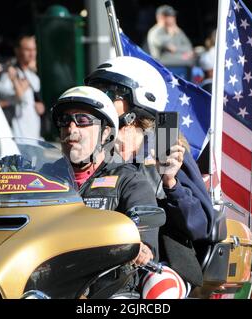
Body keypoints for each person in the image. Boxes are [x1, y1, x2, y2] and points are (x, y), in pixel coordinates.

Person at [86, 56, 216, 294]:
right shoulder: (93, 145)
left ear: (139, 98)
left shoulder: (166, 142)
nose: (97, 100)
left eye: (108, 93)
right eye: (95, 91)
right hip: (100, 256)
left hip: (156, 263)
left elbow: (201, 226)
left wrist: (171, 182)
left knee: (160, 288)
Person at [51, 86, 163, 298]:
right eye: (64, 120)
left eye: (82, 120)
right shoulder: (44, 179)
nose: (71, 127)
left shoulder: (128, 180)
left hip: (107, 291)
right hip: (49, 287)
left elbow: (146, 243)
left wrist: (139, 247)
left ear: (105, 132)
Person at [0, 35, 45, 139]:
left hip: (34, 134)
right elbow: (1, 103)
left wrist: (39, 106)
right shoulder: (8, 75)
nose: (32, 53)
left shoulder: (34, 77)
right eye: (27, 49)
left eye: (34, 49)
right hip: (16, 134)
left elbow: (33, 101)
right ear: (17, 51)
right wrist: (19, 93)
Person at [147, 5, 194, 79]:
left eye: (173, 15)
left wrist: (184, 53)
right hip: (164, 69)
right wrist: (183, 55)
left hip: (181, 66)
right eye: (169, 16)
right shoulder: (155, 31)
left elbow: (189, 47)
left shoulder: (177, 30)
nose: (173, 18)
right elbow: (171, 48)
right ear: (161, 17)